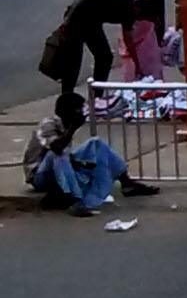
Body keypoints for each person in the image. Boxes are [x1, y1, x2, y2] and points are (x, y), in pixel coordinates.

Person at [22, 91, 155, 216]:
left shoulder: (66, 125)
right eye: (79, 110)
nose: (82, 114)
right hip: (39, 175)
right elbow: (57, 148)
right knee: (59, 153)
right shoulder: (48, 125)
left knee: (96, 144)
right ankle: (73, 197)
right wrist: (73, 128)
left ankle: (127, 183)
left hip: (59, 168)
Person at [40, 0, 140, 93]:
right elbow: (128, 39)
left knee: (95, 57)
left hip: (84, 15)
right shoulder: (129, 3)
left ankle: (86, 94)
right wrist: (137, 64)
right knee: (77, 60)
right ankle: (83, 97)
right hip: (81, 19)